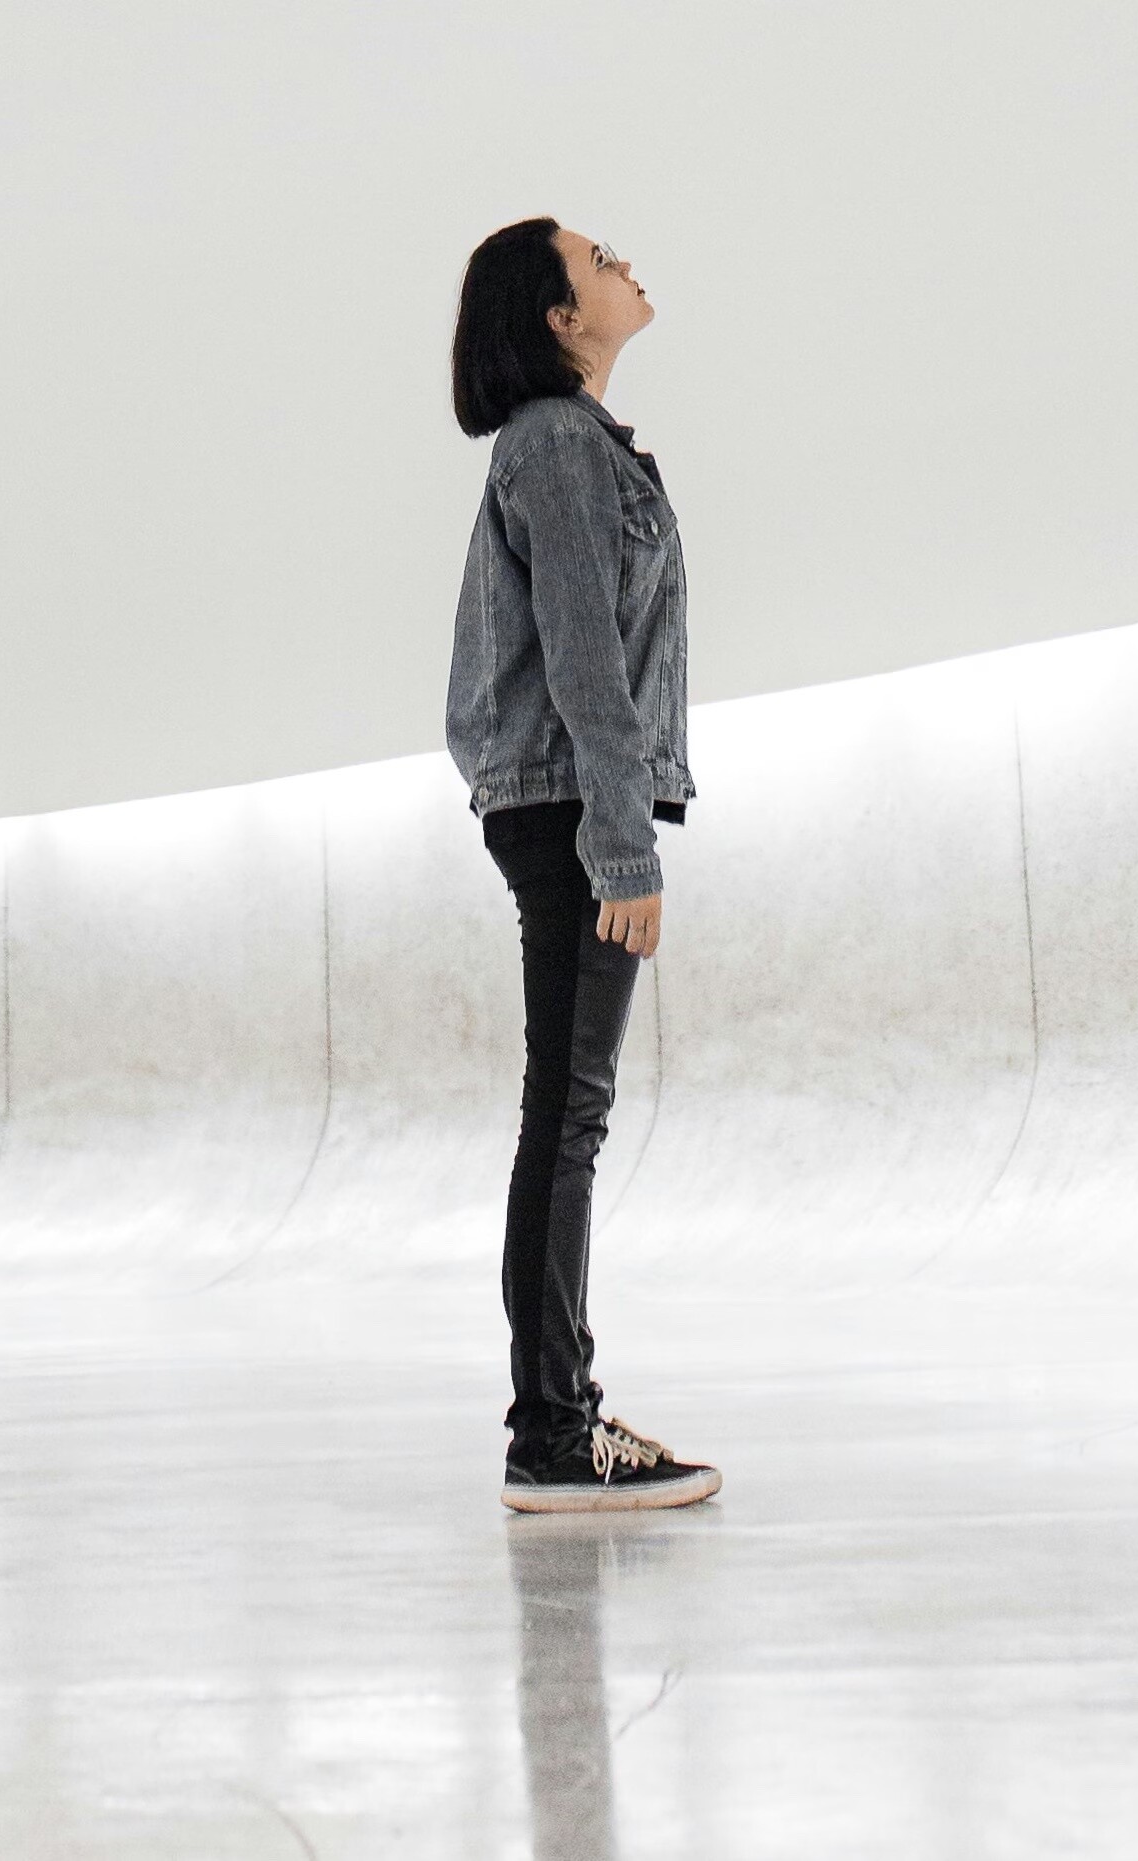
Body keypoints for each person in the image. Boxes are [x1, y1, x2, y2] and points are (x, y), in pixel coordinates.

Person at [446, 216, 720, 1514]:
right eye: (599, 258)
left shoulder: (576, 444)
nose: (626, 264)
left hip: (563, 796)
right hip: (567, 804)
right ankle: (552, 1428)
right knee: (566, 1116)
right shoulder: (555, 446)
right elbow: (582, 655)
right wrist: (620, 845)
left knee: (566, 1112)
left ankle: (557, 1415)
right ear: (558, 316)